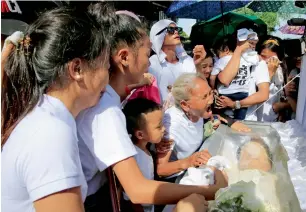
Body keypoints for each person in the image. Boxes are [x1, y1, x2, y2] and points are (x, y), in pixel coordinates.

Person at [76, 8, 228, 212]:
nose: (150, 62)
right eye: (148, 53)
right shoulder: (106, 111)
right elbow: (138, 189)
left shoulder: (109, 98)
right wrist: (210, 191)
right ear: (124, 57)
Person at [1, 4, 112, 212]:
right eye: (106, 65)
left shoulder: (43, 117)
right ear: (77, 69)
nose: (108, 77)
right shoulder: (50, 133)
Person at [215, 26, 270, 122]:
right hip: (222, 118)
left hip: (248, 119)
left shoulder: (258, 62)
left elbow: (263, 94)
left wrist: (235, 104)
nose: (252, 45)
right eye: (248, 41)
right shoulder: (225, 59)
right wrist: (239, 50)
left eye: (254, 42)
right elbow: (224, 80)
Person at [122, 98, 165, 212]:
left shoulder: (147, 149)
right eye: (159, 127)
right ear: (140, 134)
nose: (164, 129)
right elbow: (131, 198)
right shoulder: (136, 159)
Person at [149, 19, 206, 102]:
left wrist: (198, 65)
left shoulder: (188, 61)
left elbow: (202, 89)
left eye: (177, 29)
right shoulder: (151, 64)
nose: (176, 32)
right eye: (171, 30)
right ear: (159, 36)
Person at [257, 37, 284, 122]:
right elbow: (257, 93)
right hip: (255, 118)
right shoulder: (255, 68)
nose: (267, 61)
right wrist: (270, 73)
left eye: (272, 59)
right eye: (263, 56)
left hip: (271, 118)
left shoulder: (280, 71)